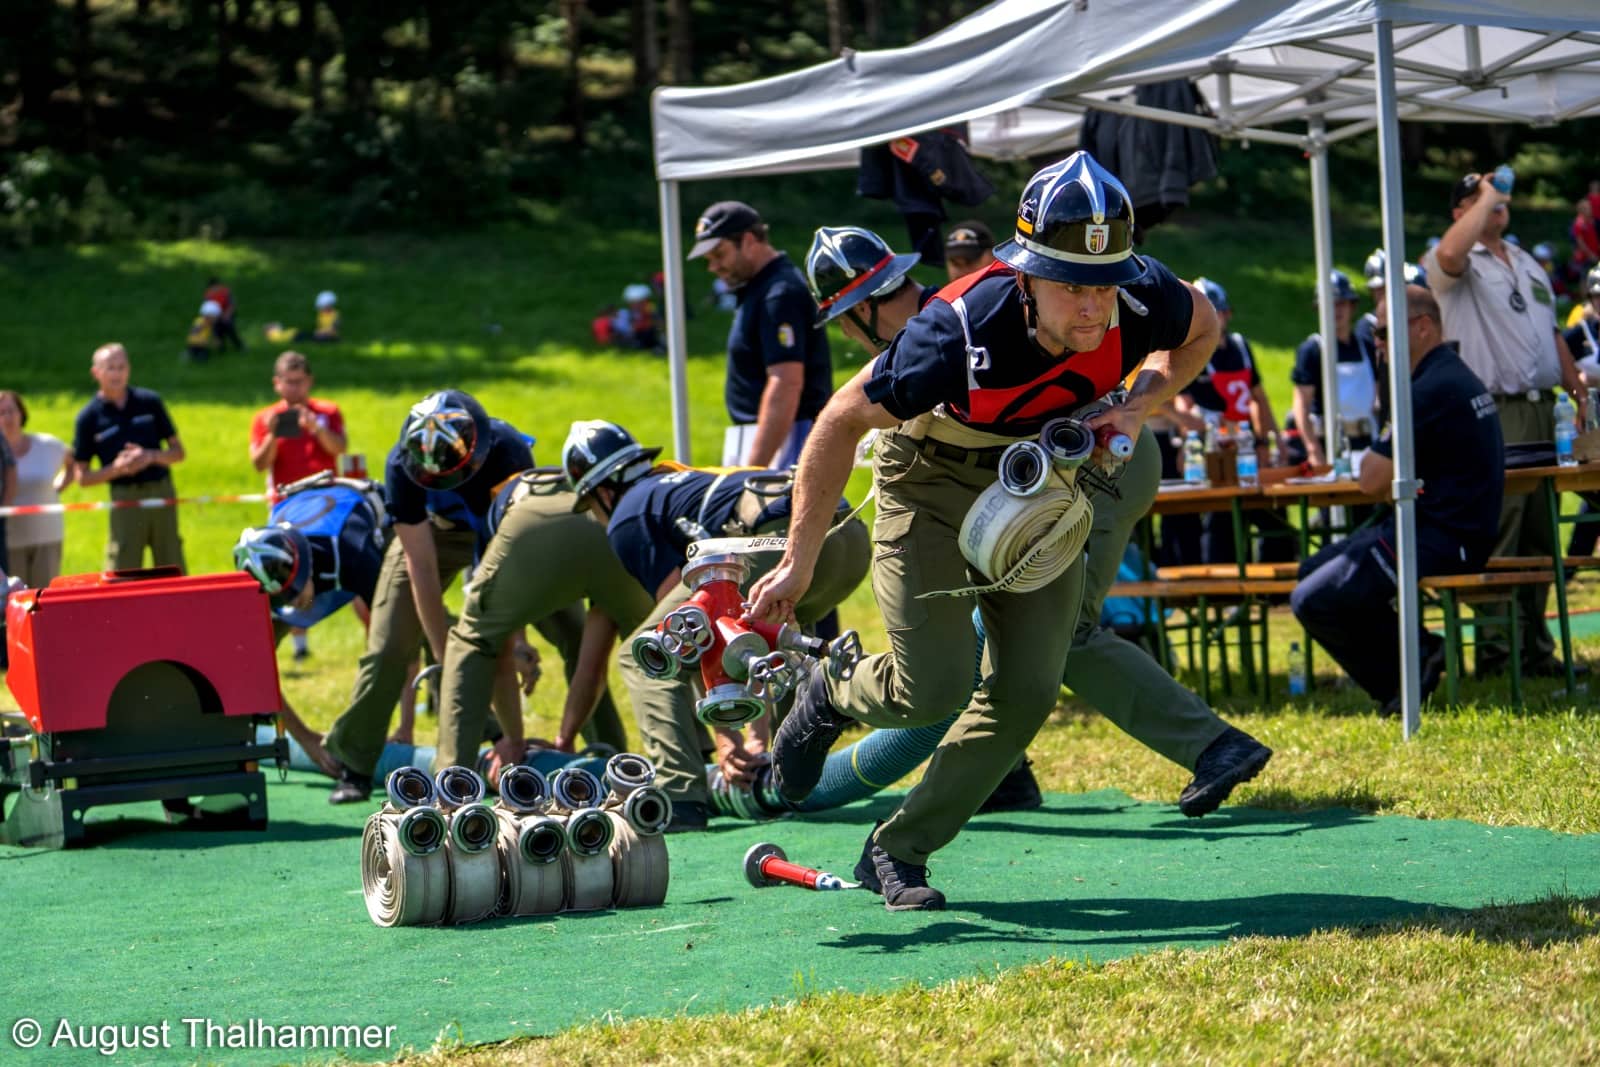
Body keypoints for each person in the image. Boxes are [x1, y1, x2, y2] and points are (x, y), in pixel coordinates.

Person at [746, 151, 1232, 910]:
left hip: (1036, 474)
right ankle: (831, 688)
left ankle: (896, 850)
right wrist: (800, 561)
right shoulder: (954, 328)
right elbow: (839, 421)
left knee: (1029, 686)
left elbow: (1203, 328)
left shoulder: (1139, 295)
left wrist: (1139, 402)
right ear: (1025, 275)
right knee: (932, 687)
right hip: (929, 479)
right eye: (1071, 284)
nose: (1094, 307)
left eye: (1104, 284)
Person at [805, 225, 1270, 818]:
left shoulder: (946, 332)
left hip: (1103, 467)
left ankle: (1213, 744)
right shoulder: (946, 322)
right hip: (1075, 468)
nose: (846, 332)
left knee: (1056, 633)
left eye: (846, 317)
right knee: (1008, 636)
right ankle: (1008, 778)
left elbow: (1189, 318)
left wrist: (1135, 408)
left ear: (864, 310)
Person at [562, 419, 871, 832]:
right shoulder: (678, 481)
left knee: (645, 655)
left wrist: (729, 742)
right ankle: (785, 772)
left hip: (776, 541)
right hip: (846, 537)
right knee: (780, 640)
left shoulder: (627, 517)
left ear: (602, 492)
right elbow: (743, 635)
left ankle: (680, 795)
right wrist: (752, 740)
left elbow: (694, 635)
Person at [1291, 285, 1504, 715]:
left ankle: (1401, 681)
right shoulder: (1448, 374)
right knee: (1311, 571)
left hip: (1442, 537)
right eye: (1375, 334)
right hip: (1447, 529)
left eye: (1385, 333)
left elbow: (1370, 480)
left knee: (1312, 599)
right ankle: (1419, 653)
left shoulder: (1426, 388)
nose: (1378, 344)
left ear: (1422, 327)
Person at [321, 390, 533, 803]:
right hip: (430, 530)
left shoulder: (508, 452)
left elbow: (512, 556)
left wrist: (521, 636)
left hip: (501, 538)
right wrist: (442, 658)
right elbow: (421, 568)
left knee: (569, 623)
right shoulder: (400, 467)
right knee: (387, 647)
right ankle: (356, 762)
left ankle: (590, 746)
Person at [1422, 170, 1588, 678]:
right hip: (1494, 409)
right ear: (1460, 213)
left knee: (1540, 533)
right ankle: (1497, 651)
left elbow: (1551, 331)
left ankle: (1534, 647)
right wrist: (1488, 195)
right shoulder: (1453, 260)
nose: (1495, 204)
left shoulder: (1526, 263)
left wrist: (1577, 391)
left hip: (1544, 410)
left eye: (1496, 197)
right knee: (1502, 530)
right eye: (1477, 199)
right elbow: (1448, 257)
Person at [435, 466, 642, 781]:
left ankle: (452, 786)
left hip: (530, 524)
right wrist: (565, 739)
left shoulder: (494, 526)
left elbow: (496, 650)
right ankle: (679, 770)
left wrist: (512, 740)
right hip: (606, 522)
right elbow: (591, 666)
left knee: (474, 643)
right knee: (657, 646)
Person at [234, 472, 390, 773]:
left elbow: (396, 645)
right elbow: (252, 670)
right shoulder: (264, 572)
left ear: (304, 565)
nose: (292, 605)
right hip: (304, 508)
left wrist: (405, 729)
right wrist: (305, 738)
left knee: (398, 633)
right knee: (247, 653)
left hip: (374, 521)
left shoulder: (355, 553)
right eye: (282, 601)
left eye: (293, 595)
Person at [687, 201, 833, 468]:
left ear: (749, 240)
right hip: (770, 437)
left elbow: (785, 384)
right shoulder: (762, 287)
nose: (713, 267)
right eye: (709, 259)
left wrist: (754, 468)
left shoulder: (778, 293)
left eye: (719, 254)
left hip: (784, 440)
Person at [1172, 277, 1292, 565]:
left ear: (1226, 314)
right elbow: (1183, 406)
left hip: (1247, 444)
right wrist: (1189, 434)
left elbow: (1259, 399)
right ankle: (1223, 591)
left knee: (1272, 511)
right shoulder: (1191, 353)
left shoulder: (1240, 347)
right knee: (1221, 517)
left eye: (1218, 313)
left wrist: (1271, 440)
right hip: (1217, 447)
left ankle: (1274, 581)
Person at [68, 343, 187, 573]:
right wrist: (117, 468)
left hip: (161, 491)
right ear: (96, 373)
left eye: (121, 367)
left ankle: (178, 609)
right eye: (110, 368)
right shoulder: (88, 417)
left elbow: (178, 453)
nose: (117, 373)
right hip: (124, 496)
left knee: (171, 560)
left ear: (128, 370)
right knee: (123, 566)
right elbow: (81, 477)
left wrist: (150, 456)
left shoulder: (149, 402)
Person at [1290, 270, 1382, 466]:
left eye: (1341, 303)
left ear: (1352, 306)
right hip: (1329, 444)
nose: (1336, 310)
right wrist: (1313, 450)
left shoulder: (1366, 346)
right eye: (1330, 305)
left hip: (1367, 441)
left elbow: (1377, 395)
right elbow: (1301, 405)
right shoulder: (1312, 350)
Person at [0, 390, 72, 588]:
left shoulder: (47, 445)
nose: (7, 417)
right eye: (1, 413)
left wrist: (59, 485)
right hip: (10, 539)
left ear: (21, 413)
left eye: (11, 411)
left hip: (46, 535)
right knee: (15, 600)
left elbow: (72, 460)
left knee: (45, 597)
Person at [248, 351, 347, 493]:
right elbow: (259, 466)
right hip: (285, 499)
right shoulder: (266, 418)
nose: (294, 388)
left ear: (310, 381)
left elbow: (340, 450)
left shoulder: (328, 411)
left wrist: (317, 428)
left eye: (299, 381)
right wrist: (273, 435)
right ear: (277, 383)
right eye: (289, 382)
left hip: (326, 495)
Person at [264, 291, 340, 345]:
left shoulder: (334, 315)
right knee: (301, 335)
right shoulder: (322, 314)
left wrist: (321, 332)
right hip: (317, 336)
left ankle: (274, 332)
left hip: (324, 336)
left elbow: (332, 330)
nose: (322, 309)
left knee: (300, 335)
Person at [607, 283, 663, 352]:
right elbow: (627, 326)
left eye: (640, 302)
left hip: (648, 334)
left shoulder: (649, 310)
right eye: (634, 302)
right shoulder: (626, 313)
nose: (636, 304)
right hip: (636, 336)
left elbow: (658, 324)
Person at [204, 277, 245, 352]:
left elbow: (231, 305)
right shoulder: (209, 295)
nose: (214, 289)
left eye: (216, 287)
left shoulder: (225, 292)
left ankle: (240, 346)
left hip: (227, 314)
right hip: (215, 316)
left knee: (229, 328)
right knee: (217, 331)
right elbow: (207, 309)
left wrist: (226, 315)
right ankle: (221, 348)